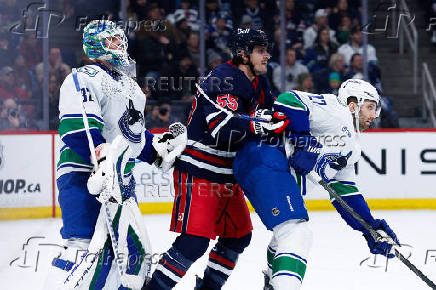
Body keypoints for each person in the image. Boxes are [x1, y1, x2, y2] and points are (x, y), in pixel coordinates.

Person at [44, 20, 186, 289]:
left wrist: (159, 149)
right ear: (95, 45)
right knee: (81, 245)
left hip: (120, 182)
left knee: (128, 255)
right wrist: (101, 157)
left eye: (120, 39)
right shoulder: (82, 77)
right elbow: (79, 129)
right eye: (112, 40)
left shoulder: (131, 87)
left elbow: (133, 137)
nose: (120, 44)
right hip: (85, 173)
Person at [144, 28, 288, 290]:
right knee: (194, 242)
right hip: (199, 171)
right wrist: (261, 126)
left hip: (226, 175)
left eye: (267, 50)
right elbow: (223, 130)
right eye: (260, 51)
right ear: (243, 54)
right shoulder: (223, 78)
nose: (267, 55)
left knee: (238, 236)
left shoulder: (260, 83)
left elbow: (275, 116)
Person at [233, 79, 399, 290]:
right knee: (297, 234)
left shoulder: (351, 149)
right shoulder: (335, 110)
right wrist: (303, 140)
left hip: (270, 173)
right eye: (370, 107)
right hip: (266, 158)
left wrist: (369, 227)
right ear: (352, 104)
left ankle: (272, 280)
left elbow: (345, 194)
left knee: (284, 236)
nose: (374, 115)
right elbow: (288, 99)